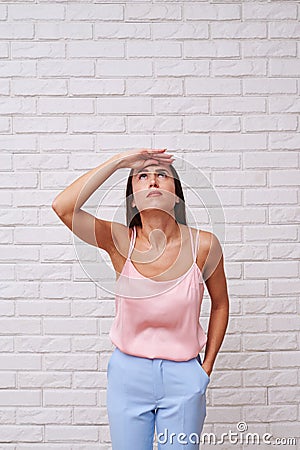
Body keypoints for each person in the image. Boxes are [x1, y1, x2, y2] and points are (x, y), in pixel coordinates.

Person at [52, 148, 229, 450]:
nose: (153, 181)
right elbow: (63, 207)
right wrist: (119, 162)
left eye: (162, 175)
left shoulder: (204, 245)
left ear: (176, 195)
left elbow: (221, 304)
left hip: (184, 377)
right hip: (128, 378)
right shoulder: (121, 242)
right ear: (132, 197)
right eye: (142, 176)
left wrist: (206, 369)